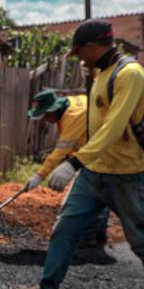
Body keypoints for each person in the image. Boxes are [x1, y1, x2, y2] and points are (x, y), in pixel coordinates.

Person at [8, 19, 144, 289]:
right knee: (65, 229)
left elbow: (115, 125)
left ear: (92, 46)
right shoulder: (101, 75)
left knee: (141, 238)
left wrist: (74, 162)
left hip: (125, 174)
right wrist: (74, 166)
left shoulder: (130, 74)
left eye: (80, 52)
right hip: (93, 172)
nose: (80, 58)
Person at [25, 88, 110, 246]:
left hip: (101, 153)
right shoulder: (70, 102)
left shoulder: (72, 117)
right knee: (100, 193)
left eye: (45, 116)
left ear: (53, 111)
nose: (45, 120)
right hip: (97, 149)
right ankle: (98, 236)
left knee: (85, 196)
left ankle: (88, 238)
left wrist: (40, 175)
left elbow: (59, 152)